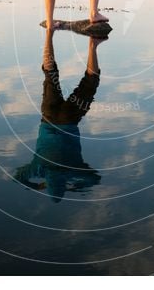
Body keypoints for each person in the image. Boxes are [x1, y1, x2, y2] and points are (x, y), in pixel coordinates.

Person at [13, 28, 103, 202]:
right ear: (47, 182)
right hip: (48, 116)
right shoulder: (39, 169)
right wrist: (36, 186)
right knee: (50, 74)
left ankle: (92, 45)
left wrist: (74, 188)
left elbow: (94, 179)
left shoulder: (71, 171)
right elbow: (17, 177)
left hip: (69, 119)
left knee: (91, 81)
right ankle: (49, 33)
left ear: (62, 184)